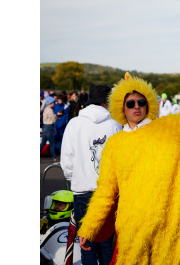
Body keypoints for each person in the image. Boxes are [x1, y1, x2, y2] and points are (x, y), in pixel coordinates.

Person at [77, 60, 180, 265]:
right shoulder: (114, 144)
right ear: (120, 107)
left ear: (149, 104)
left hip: (171, 223)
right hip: (132, 226)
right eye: (130, 103)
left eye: (141, 102)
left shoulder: (169, 128)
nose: (136, 107)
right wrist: (89, 227)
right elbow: (105, 191)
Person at [60, 85, 122, 265]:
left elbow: (67, 160)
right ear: (106, 101)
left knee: (86, 243)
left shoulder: (75, 123)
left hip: (83, 191)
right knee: (106, 243)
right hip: (108, 191)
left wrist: (76, 178)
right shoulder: (114, 124)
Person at [40, 96, 58, 162]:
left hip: (45, 127)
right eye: (54, 103)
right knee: (52, 144)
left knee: (42, 144)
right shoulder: (50, 110)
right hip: (49, 128)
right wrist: (57, 116)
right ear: (52, 103)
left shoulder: (45, 109)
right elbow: (53, 120)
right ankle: (54, 157)